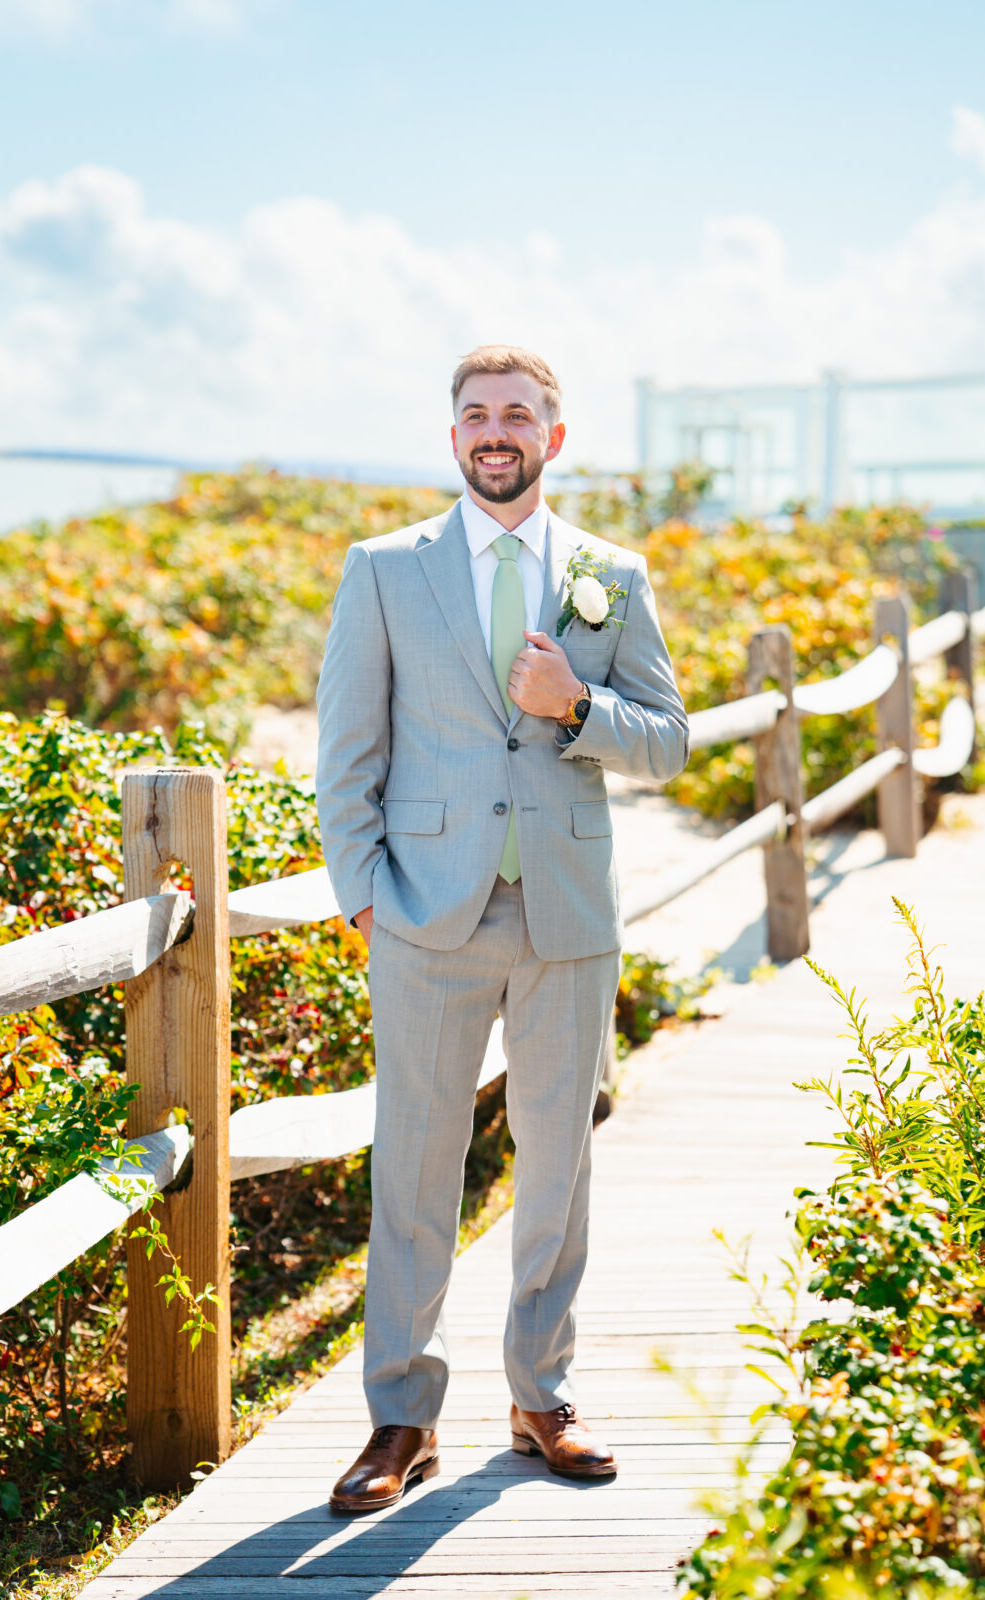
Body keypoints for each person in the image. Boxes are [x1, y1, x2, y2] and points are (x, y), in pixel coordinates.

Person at [315, 345, 688, 1513]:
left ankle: (541, 1396)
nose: (495, 430)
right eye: (475, 413)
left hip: (566, 916)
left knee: (556, 1168)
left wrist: (573, 706)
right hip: (427, 914)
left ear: (552, 438)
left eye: (516, 414)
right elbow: (347, 750)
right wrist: (362, 891)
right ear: (452, 436)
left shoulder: (608, 575)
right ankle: (400, 1417)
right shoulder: (382, 571)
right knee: (414, 1169)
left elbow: (667, 740)